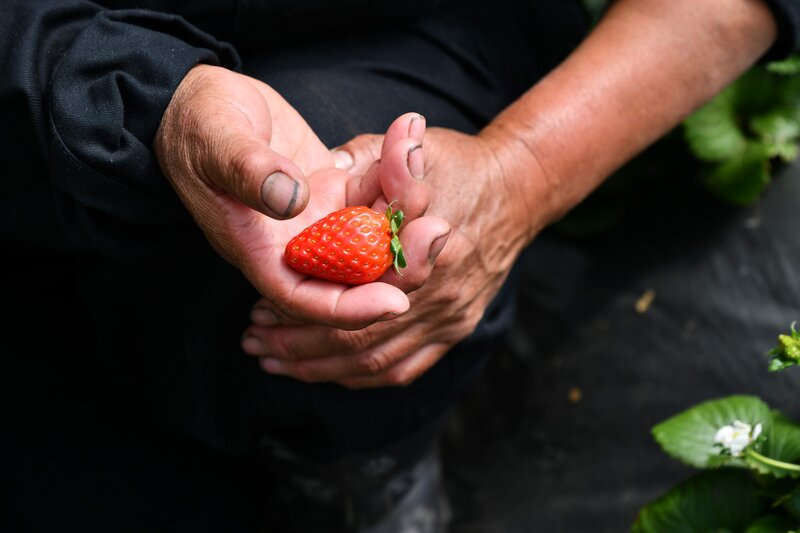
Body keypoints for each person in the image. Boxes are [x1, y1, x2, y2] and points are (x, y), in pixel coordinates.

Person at [2, 1, 799, 532]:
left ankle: (355, 452)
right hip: (49, 43)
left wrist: (522, 172)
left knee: (386, 233)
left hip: (429, 22)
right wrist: (139, 97)